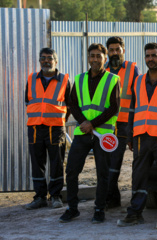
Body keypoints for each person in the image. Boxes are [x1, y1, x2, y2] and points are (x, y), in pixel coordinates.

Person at [117, 42, 157, 229]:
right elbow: (132, 111)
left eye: (154, 55)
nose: (151, 59)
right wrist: (130, 136)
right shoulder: (137, 82)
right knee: (138, 177)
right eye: (147, 56)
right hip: (140, 138)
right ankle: (135, 213)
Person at [59, 43, 121, 224]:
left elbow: (114, 107)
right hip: (83, 132)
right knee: (71, 171)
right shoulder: (78, 79)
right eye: (92, 56)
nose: (95, 59)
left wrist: (92, 124)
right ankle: (72, 209)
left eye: (98, 56)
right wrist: (84, 124)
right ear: (88, 58)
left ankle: (99, 209)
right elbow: (73, 104)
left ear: (105, 58)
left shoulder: (113, 79)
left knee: (102, 173)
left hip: (103, 135)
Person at [25, 48, 71, 210]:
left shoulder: (64, 79)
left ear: (55, 61)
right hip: (35, 127)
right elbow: (28, 101)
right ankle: (40, 197)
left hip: (56, 128)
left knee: (56, 162)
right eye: (43, 58)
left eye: (50, 58)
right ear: (39, 61)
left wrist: (60, 119)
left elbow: (69, 104)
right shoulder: (31, 79)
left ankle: (56, 196)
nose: (46, 61)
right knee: (37, 163)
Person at [105, 36, 140, 208]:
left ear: (123, 50)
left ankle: (137, 199)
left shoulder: (133, 68)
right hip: (109, 125)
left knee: (138, 163)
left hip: (129, 123)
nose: (114, 53)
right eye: (111, 50)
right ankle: (112, 198)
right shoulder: (102, 69)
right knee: (112, 163)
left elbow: (139, 95)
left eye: (117, 49)